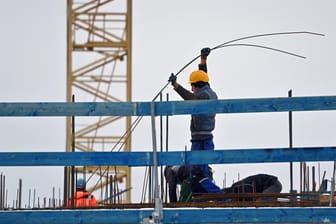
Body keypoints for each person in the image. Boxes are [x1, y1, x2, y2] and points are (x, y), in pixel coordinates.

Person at [168, 47, 222, 195]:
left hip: (202, 141)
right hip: (201, 140)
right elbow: (203, 76)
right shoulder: (208, 91)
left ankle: (221, 197)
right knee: (195, 176)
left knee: (199, 175)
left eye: (192, 85)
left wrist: (176, 86)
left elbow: (191, 99)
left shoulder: (203, 96)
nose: (191, 89)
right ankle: (199, 200)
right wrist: (203, 59)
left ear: (195, 85)